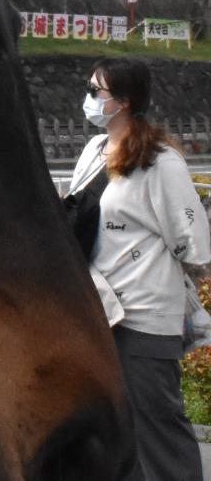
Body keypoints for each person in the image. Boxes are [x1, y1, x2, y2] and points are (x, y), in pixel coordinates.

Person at [70, 58, 210, 481]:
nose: (90, 99)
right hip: (98, 308)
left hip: (144, 314)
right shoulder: (94, 151)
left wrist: (147, 261)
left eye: (98, 93)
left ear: (125, 103)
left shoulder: (160, 161)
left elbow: (193, 244)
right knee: (116, 425)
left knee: (157, 424)